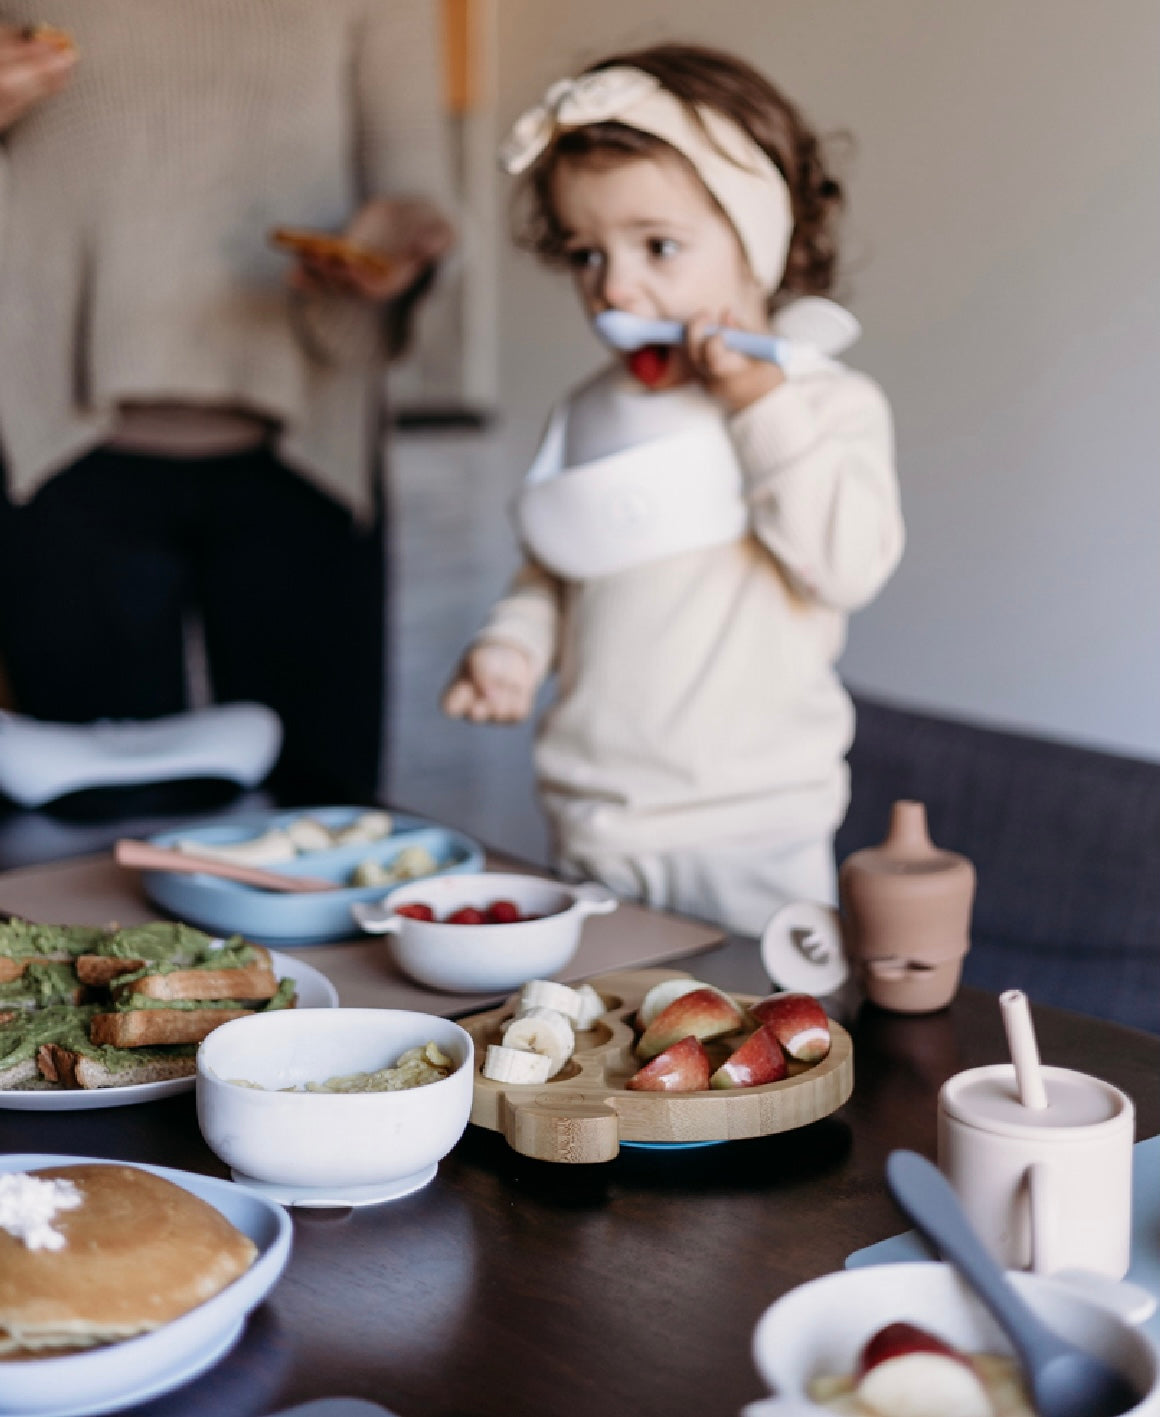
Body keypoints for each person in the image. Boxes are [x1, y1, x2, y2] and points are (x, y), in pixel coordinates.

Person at [443, 43, 904, 936]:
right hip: (595, 821)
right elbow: (556, 563)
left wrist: (756, 406)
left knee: (767, 1050)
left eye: (658, 246)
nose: (614, 286)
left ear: (757, 245)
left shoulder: (822, 402)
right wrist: (513, 645)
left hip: (757, 828)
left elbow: (845, 567)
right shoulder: (587, 411)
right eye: (585, 254)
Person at [0, 3, 455, 803]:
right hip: (55, 434)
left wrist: (399, 251)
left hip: (307, 443)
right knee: (90, 840)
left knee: (321, 817)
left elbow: (417, 189)